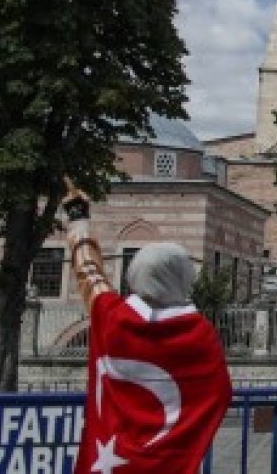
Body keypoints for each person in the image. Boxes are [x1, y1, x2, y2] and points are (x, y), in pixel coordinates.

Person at [62, 187, 232, 474]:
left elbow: (89, 272)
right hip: (167, 463)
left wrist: (78, 220)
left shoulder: (112, 317)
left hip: (110, 462)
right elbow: (218, 393)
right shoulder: (199, 334)